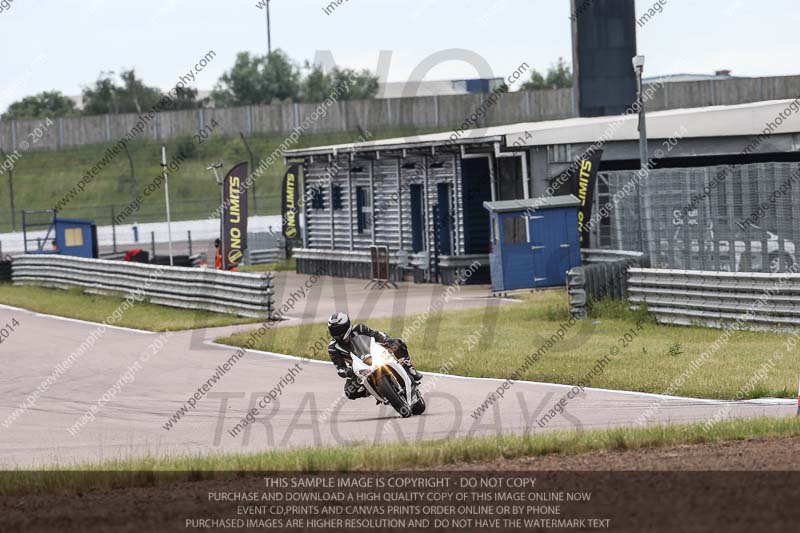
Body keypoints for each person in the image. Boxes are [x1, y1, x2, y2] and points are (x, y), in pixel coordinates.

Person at [327, 312, 421, 400]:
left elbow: (376, 335)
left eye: (338, 330)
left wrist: (387, 340)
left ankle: (410, 369)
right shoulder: (333, 348)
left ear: (347, 326)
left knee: (397, 343)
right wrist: (347, 372)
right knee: (349, 392)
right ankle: (371, 391)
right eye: (333, 330)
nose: (337, 333)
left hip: (374, 354)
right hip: (359, 369)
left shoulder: (359, 329)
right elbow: (339, 367)